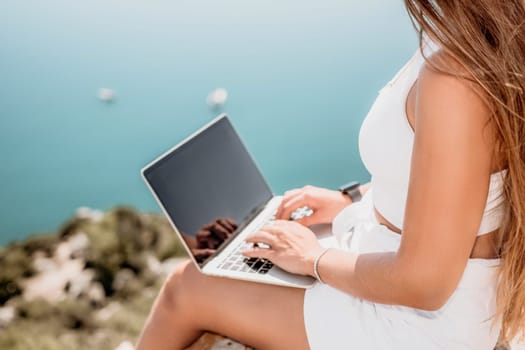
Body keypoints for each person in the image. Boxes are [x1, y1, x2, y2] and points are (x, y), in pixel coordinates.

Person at [136, 1, 525, 349]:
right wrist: (350, 201)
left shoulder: (454, 77)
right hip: (421, 280)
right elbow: (457, 178)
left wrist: (313, 258)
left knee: (186, 288)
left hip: (416, 327)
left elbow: (425, 282)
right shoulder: (487, 39)